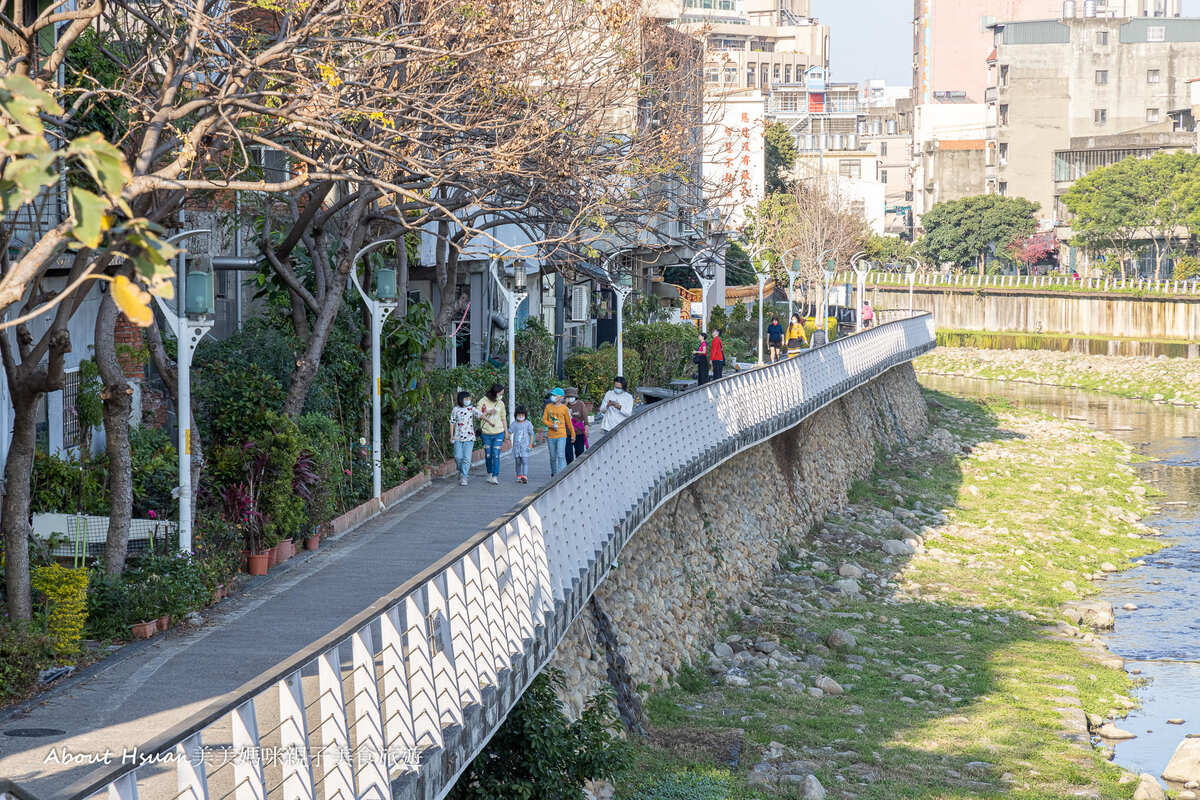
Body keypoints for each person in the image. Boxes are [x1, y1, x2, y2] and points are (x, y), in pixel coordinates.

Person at [476, 383, 507, 485]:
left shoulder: (501, 403)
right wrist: (488, 412)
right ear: (495, 393)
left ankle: (495, 476)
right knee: (488, 454)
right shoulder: (483, 401)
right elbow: (478, 415)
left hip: (499, 432)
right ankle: (489, 473)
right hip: (486, 432)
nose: (501, 395)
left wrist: (506, 432)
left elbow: (503, 418)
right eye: (500, 393)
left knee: (496, 454)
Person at [542, 387, 575, 477]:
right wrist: (551, 425)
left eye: (554, 395)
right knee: (553, 457)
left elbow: (569, 423)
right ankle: (554, 474)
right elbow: (544, 420)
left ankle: (561, 475)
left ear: (560, 397)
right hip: (551, 436)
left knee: (561, 456)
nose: (552, 397)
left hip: (561, 435)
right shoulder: (548, 407)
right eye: (552, 395)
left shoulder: (564, 408)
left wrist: (573, 434)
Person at [449, 390, 478, 487]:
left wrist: (489, 417)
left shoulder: (471, 409)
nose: (468, 400)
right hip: (458, 437)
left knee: (466, 458)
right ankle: (461, 471)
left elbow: (481, 415)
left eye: (469, 399)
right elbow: (452, 423)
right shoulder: (455, 410)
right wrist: (451, 436)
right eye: (466, 399)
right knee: (458, 457)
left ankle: (464, 476)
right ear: (461, 399)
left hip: (469, 438)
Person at [510, 405, 534, 484]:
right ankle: (518, 476)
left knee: (525, 461)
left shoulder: (528, 424)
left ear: (525, 415)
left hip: (525, 447)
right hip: (516, 448)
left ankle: (525, 476)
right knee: (517, 462)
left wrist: (530, 444)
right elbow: (510, 431)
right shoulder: (514, 424)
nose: (520, 416)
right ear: (516, 415)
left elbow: (531, 434)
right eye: (519, 415)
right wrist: (505, 436)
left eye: (522, 415)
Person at [564, 388, 589, 464]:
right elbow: (559, 413)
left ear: (575, 397)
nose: (570, 398)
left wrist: (586, 429)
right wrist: (565, 403)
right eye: (568, 397)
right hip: (567, 433)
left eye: (572, 396)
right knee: (568, 454)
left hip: (579, 432)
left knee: (579, 453)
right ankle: (569, 470)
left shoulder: (580, 404)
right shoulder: (564, 405)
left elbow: (585, 417)